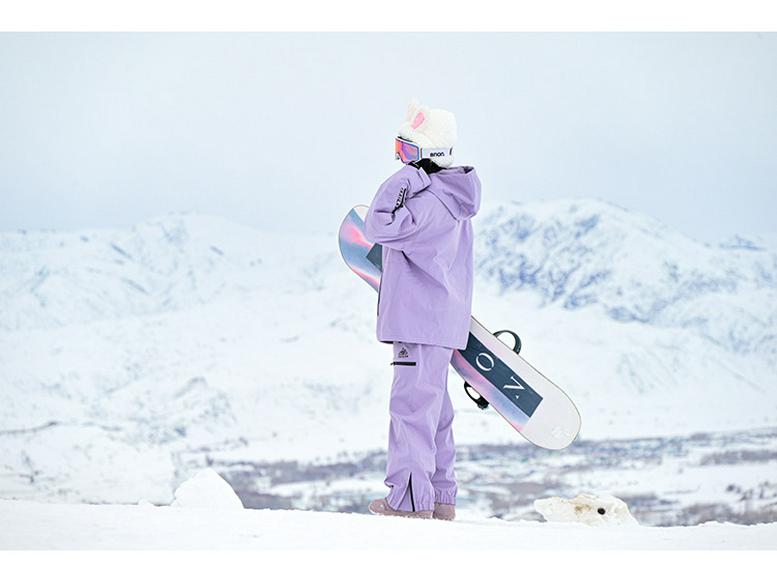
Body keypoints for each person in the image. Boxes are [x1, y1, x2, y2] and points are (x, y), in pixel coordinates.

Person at [364, 99, 481, 520]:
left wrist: (403, 180)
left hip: (417, 322)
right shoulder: (453, 203)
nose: (400, 159)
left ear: (426, 158)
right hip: (441, 321)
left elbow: (376, 225)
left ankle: (409, 502)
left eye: (407, 151)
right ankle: (439, 499)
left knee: (411, 411)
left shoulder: (425, 203)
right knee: (435, 414)